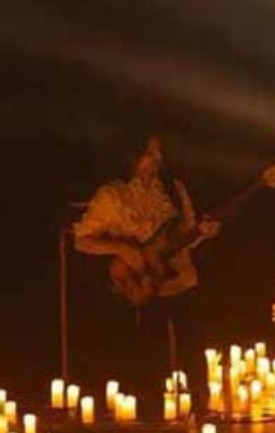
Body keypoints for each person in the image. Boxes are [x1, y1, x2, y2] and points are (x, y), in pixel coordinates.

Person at [72, 135, 222, 403]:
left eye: (159, 154)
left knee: (192, 345)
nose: (158, 159)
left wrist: (201, 232)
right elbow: (82, 240)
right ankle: (149, 408)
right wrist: (120, 249)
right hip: (142, 286)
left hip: (178, 279)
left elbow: (179, 239)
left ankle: (199, 404)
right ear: (135, 157)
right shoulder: (112, 195)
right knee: (150, 355)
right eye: (151, 154)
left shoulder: (168, 190)